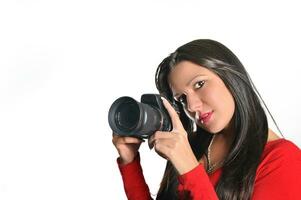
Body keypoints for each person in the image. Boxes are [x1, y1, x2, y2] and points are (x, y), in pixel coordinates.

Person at [112, 39, 301, 199]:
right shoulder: (189, 146)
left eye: (199, 84)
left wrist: (189, 170)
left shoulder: (283, 160)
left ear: (230, 77)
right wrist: (130, 163)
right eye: (182, 98)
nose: (192, 106)